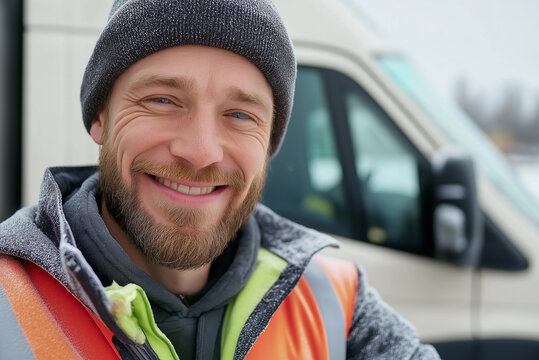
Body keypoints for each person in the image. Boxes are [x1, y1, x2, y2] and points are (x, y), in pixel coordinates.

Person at [0, 0, 440, 359]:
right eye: (163, 99)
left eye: (240, 115)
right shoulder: (7, 299)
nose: (201, 151)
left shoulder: (337, 305)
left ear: (268, 143)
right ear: (100, 116)